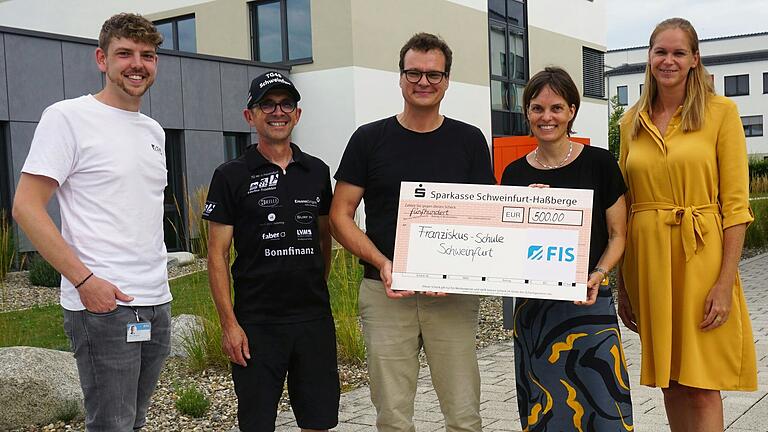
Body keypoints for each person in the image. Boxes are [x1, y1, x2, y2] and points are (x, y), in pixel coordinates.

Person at [12, 13, 170, 431]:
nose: (137, 63)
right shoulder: (67, 118)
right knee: (110, 424)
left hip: (155, 301)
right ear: (102, 59)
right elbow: (26, 206)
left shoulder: (153, 130)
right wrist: (85, 282)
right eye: (125, 53)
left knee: (133, 420)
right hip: (103, 305)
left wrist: (161, 286)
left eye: (147, 55)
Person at [330, 32, 496, 432]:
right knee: (392, 415)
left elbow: (485, 217)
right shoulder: (369, 139)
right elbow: (340, 215)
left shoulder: (469, 139)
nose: (424, 82)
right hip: (385, 291)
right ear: (400, 77)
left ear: (447, 80)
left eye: (434, 75)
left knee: (464, 413)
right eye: (414, 73)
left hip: (451, 297)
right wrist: (382, 262)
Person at [617, 17, 757, 431]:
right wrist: (622, 286)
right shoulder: (631, 122)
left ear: (695, 59)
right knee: (671, 382)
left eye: (679, 52)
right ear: (649, 57)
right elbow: (624, 203)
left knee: (701, 382)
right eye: (661, 51)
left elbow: (735, 206)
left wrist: (724, 282)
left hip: (701, 260)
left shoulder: (720, 113)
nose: (669, 60)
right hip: (649, 264)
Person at [202, 71, 339, 432]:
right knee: (257, 423)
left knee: (319, 420)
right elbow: (216, 255)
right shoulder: (230, 175)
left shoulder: (317, 171)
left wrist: (313, 283)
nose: (277, 112)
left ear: (297, 114)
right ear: (250, 115)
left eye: (286, 104)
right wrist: (229, 325)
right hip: (257, 324)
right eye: (267, 104)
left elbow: (324, 239)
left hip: (313, 320)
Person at [500, 67, 633, 431]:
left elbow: (618, 234)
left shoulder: (600, 163)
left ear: (572, 110)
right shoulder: (513, 175)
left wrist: (599, 274)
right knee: (545, 407)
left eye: (556, 108)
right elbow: (506, 245)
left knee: (601, 404)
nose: (547, 117)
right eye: (538, 108)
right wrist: (525, 212)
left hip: (588, 302)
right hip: (535, 312)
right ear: (527, 112)